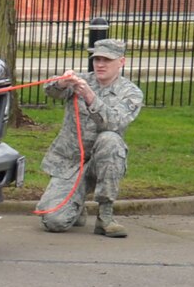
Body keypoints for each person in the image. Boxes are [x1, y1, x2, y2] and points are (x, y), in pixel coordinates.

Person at [38, 38, 143, 237]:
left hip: (103, 162)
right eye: (97, 59)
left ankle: (105, 215)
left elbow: (113, 122)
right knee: (54, 221)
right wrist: (61, 82)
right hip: (71, 162)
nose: (100, 64)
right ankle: (76, 207)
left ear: (121, 62)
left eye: (107, 60)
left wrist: (90, 97)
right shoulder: (82, 80)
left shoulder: (131, 93)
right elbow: (49, 90)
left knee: (111, 140)